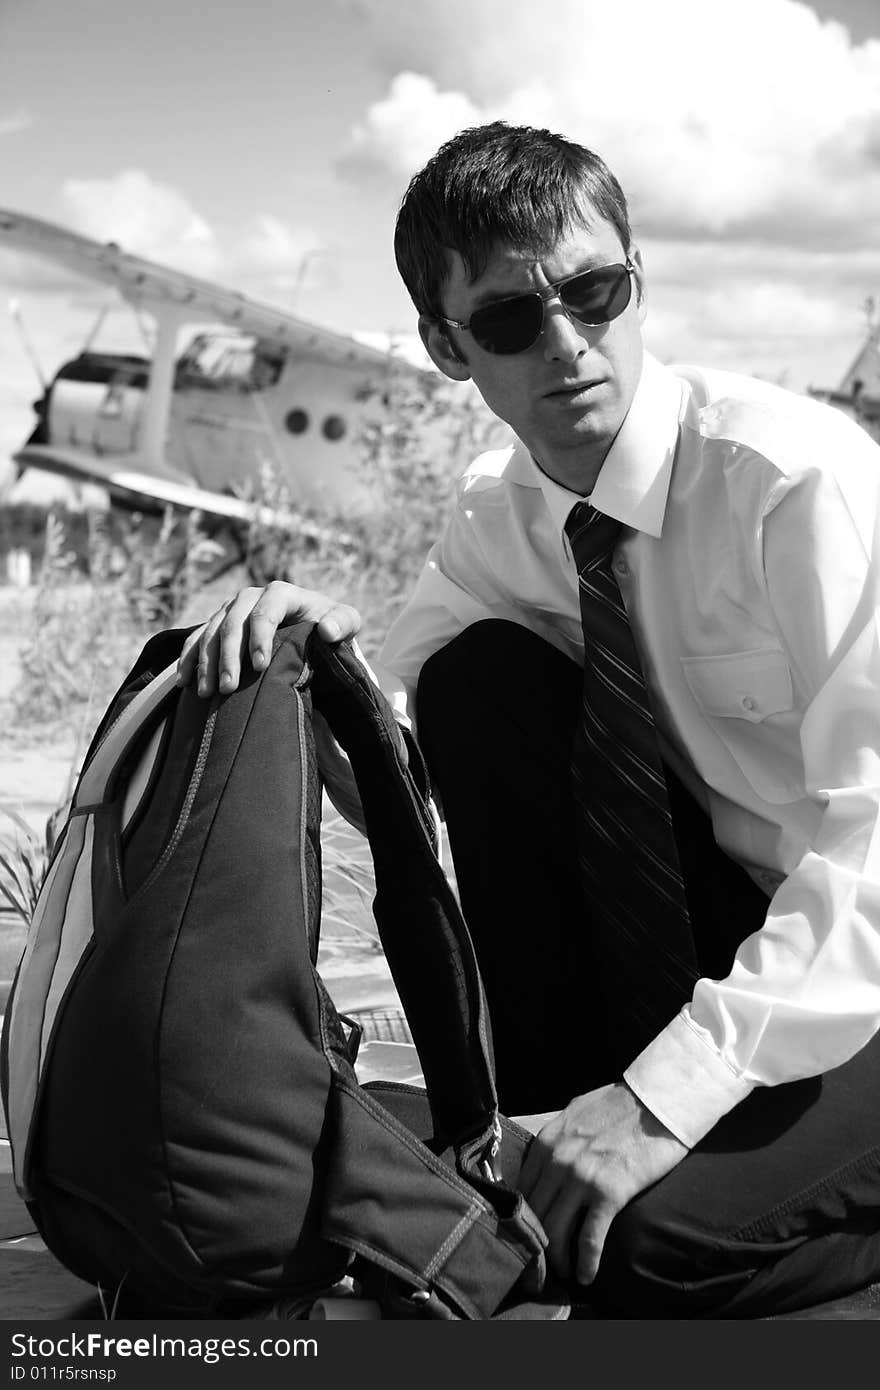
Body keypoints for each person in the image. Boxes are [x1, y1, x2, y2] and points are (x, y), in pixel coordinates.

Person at [177, 122, 880, 1318]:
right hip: (744, 936)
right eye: (510, 320)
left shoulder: (796, 485)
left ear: (636, 280)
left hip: (857, 954)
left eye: (596, 293)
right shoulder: (500, 517)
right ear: (448, 346)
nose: (568, 345)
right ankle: (556, 1118)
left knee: (643, 1252)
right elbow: (398, 751)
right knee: (474, 679)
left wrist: (659, 1099)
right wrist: (308, 650)